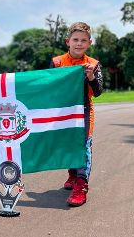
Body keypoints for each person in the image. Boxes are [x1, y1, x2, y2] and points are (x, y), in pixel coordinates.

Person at [52, 22, 103, 206]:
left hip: (83, 110)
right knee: (66, 144)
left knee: (84, 145)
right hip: (63, 110)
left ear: (89, 43)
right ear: (68, 41)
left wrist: (90, 77)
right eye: (75, 39)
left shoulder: (94, 64)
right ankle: (73, 173)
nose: (79, 43)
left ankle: (81, 185)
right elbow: (48, 87)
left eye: (83, 40)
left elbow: (98, 92)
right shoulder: (57, 63)